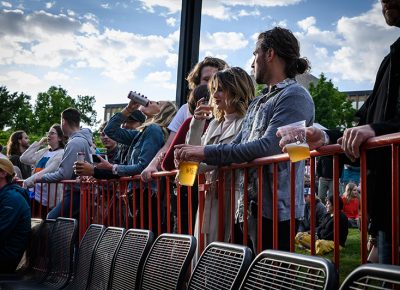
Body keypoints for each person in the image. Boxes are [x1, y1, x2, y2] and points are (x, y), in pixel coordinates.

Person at [280, 0, 400, 263]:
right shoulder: (390, 61)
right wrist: (326, 137)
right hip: (386, 214)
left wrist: (374, 130)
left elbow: (375, 128)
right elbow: (365, 127)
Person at [175, 27, 314, 252]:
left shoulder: (295, 95)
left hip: (275, 211)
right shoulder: (259, 101)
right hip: (247, 207)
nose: (253, 62)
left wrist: (203, 152)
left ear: (269, 54)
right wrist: (192, 159)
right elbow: (236, 146)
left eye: (255, 54)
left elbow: (268, 147)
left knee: (270, 279)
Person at [186, 67, 255, 259]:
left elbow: (208, 159)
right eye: (213, 89)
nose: (214, 95)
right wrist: (196, 124)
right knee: (202, 258)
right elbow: (192, 162)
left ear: (237, 90)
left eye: (221, 89)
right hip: (209, 197)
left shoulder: (246, 122)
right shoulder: (215, 123)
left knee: (224, 259)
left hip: (232, 198)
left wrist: (190, 160)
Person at [140, 57, 228, 182]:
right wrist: (152, 165)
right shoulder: (185, 110)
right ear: (197, 83)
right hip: (189, 180)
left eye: (216, 79)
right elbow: (169, 145)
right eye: (206, 79)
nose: (211, 84)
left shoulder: (230, 109)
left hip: (218, 180)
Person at [38, 108, 93, 219]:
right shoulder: (80, 140)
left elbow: (64, 174)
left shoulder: (75, 142)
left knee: (51, 219)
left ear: (64, 121)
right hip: (81, 191)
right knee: (75, 226)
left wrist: (40, 177)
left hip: (77, 192)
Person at [20, 124, 65, 218]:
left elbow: (47, 171)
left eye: (52, 133)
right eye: (48, 133)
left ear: (60, 138)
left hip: (47, 199)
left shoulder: (62, 153)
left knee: (43, 227)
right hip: (35, 195)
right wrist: (39, 143)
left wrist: (28, 181)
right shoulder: (44, 151)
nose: (49, 135)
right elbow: (24, 158)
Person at [0, 158, 31, 273]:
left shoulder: (11, 199)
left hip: (5, 257)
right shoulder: (5, 195)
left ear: (3, 173)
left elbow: (1, 231)